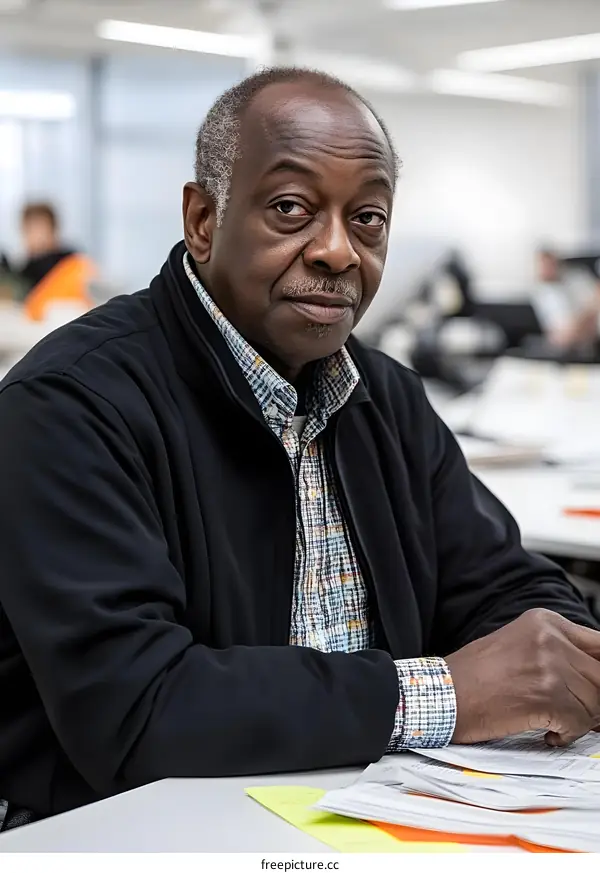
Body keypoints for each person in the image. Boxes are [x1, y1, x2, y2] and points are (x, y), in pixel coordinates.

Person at [0, 67, 599, 831]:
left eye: (369, 220)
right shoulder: (70, 406)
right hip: (130, 828)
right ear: (203, 218)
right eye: (291, 209)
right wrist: (447, 690)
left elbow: (506, 590)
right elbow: (137, 708)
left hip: (367, 819)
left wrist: (553, 659)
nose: (337, 251)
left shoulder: (388, 397)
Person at [13, 202, 95, 320]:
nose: (35, 236)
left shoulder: (72, 262)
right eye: (29, 230)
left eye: (40, 229)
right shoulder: (25, 269)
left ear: (53, 230)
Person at [531, 246, 600, 351]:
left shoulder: (577, 277)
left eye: (550, 265)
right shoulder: (541, 291)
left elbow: (595, 302)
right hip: (562, 344)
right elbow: (558, 332)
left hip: (589, 336)